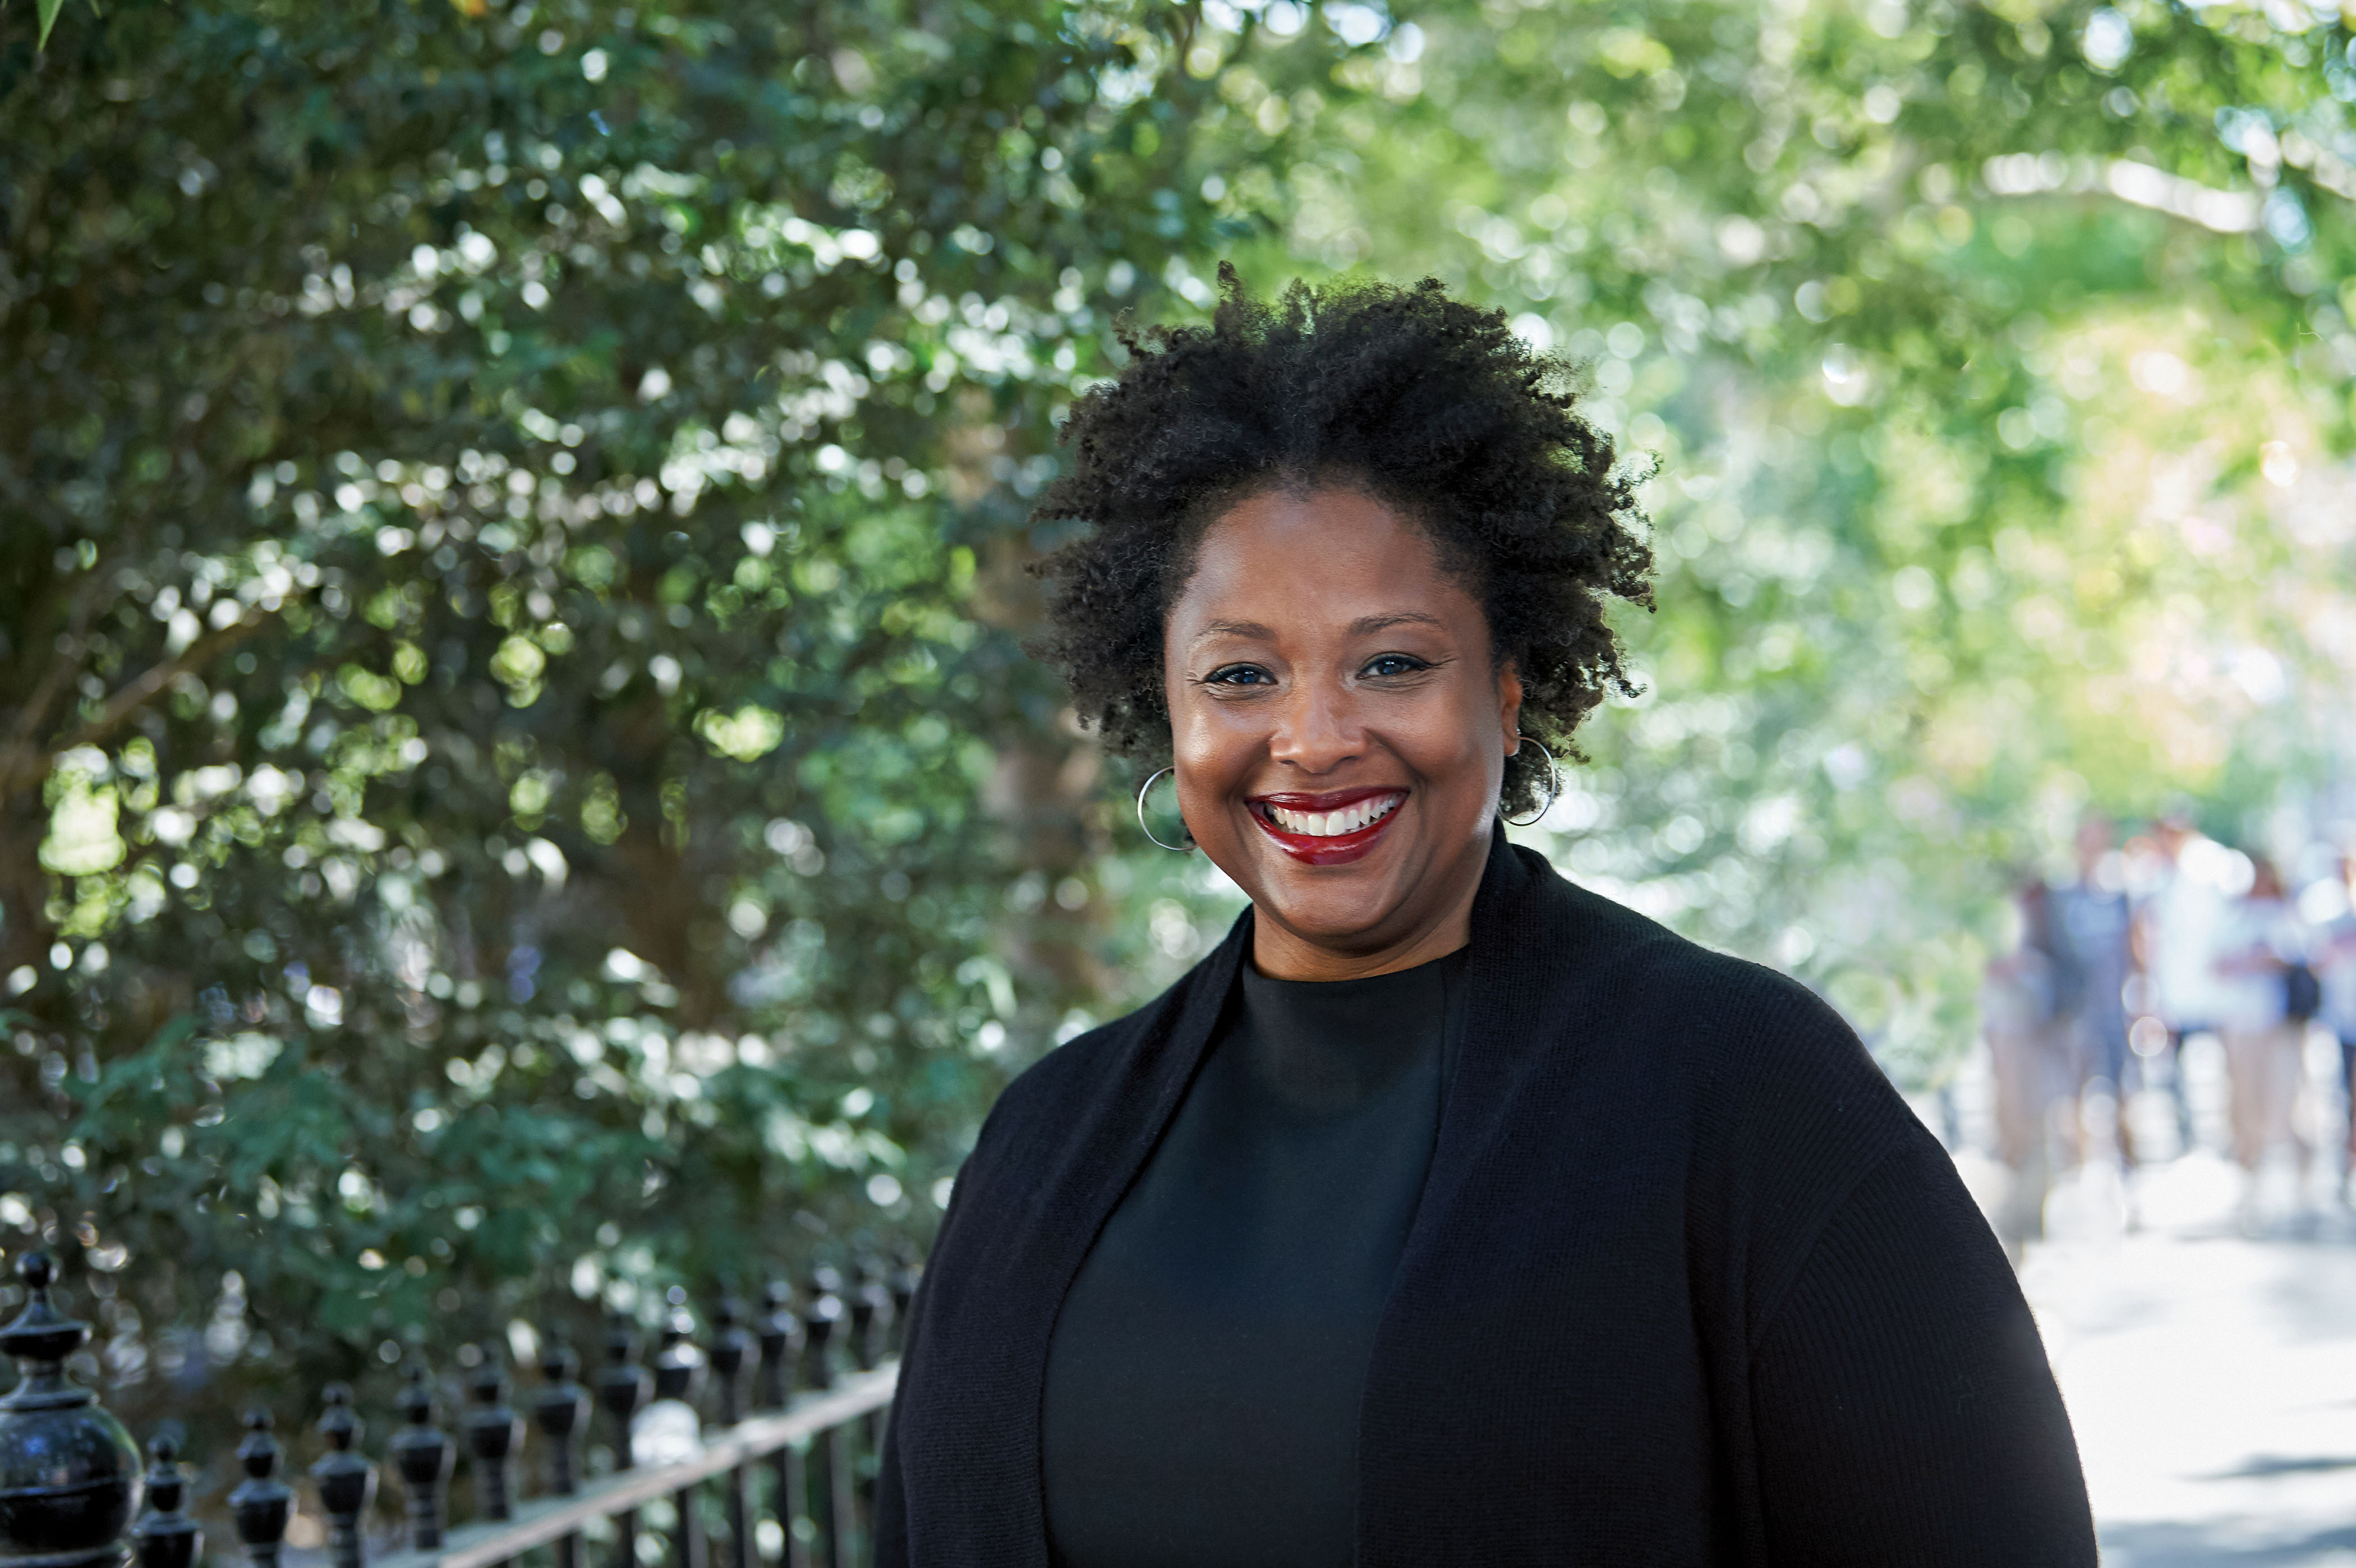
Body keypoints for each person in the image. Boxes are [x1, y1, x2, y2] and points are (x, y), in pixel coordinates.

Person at [875, 272, 2095, 1566]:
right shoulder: (1044, 1140)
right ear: (1165, 715)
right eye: (1240, 675)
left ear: (1509, 696)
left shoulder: (1741, 1093)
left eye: (1391, 662)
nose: (1314, 737)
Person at [2211, 856, 2311, 1206]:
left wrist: (2261, 959)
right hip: (2242, 1023)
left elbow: (2298, 955)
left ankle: (2297, 1176)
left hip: (2281, 1023)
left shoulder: (2286, 913)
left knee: (2285, 1097)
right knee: (2243, 1098)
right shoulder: (2233, 916)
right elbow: (2217, 963)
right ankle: (2248, 1168)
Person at [2050, 813, 2138, 1169]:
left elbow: (2132, 946)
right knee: (2073, 1088)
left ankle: (2127, 1158)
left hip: (2113, 1004)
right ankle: (2076, 1164)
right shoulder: (2060, 893)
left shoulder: (2118, 892)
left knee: (2121, 1085)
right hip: (2073, 1008)